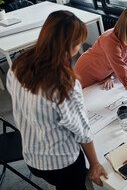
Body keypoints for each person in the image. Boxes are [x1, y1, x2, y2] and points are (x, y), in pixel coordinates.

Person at [6, 11, 107, 189]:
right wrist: (95, 163)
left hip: (32, 156)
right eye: (78, 45)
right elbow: (81, 130)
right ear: (69, 47)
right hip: (62, 164)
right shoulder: (65, 83)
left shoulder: (18, 64)